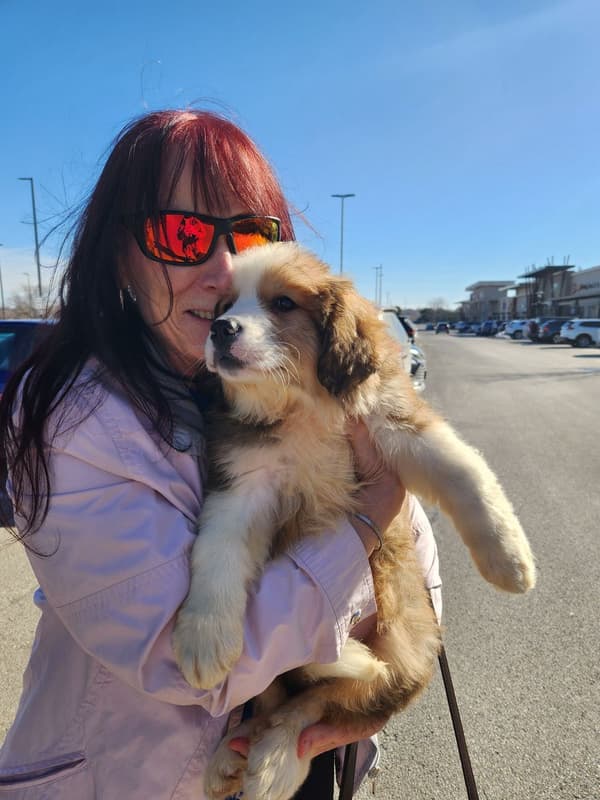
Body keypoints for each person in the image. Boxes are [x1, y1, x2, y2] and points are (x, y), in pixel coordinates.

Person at [0, 110, 441, 799]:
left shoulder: (285, 372)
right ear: (119, 254)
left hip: (300, 760)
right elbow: (184, 665)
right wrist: (368, 519)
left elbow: (411, 550)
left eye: (253, 234)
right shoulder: (76, 418)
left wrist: (378, 676)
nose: (224, 268)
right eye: (181, 235)